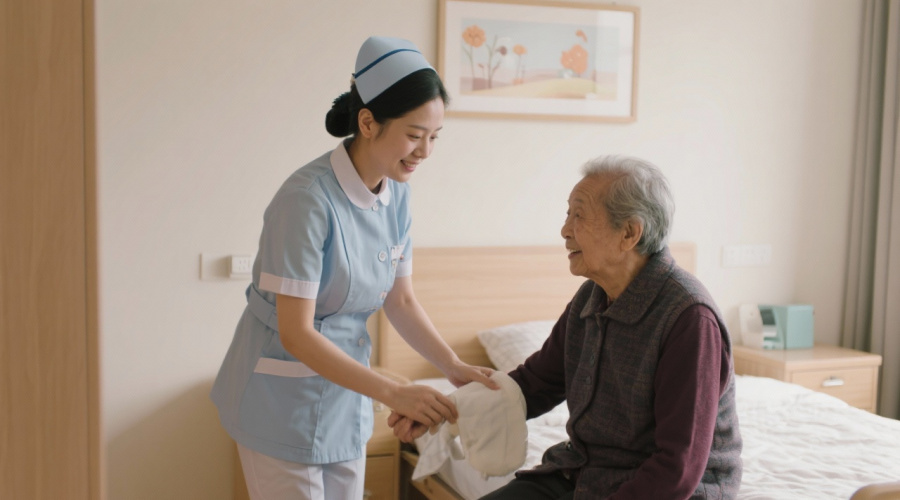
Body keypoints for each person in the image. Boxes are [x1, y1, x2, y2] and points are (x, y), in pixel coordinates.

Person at [210, 36, 496, 500]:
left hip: (347, 399)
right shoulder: (306, 201)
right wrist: (394, 393)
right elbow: (295, 333)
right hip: (281, 403)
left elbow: (401, 299)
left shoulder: (397, 194)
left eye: (434, 137)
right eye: (414, 135)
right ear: (367, 122)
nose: (425, 151)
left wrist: (454, 365)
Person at [391, 155, 743, 499]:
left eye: (580, 216)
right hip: (583, 472)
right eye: (567, 214)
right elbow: (533, 385)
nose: (564, 230)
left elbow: (678, 468)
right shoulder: (591, 297)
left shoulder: (689, 320)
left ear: (629, 233)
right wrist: (441, 413)